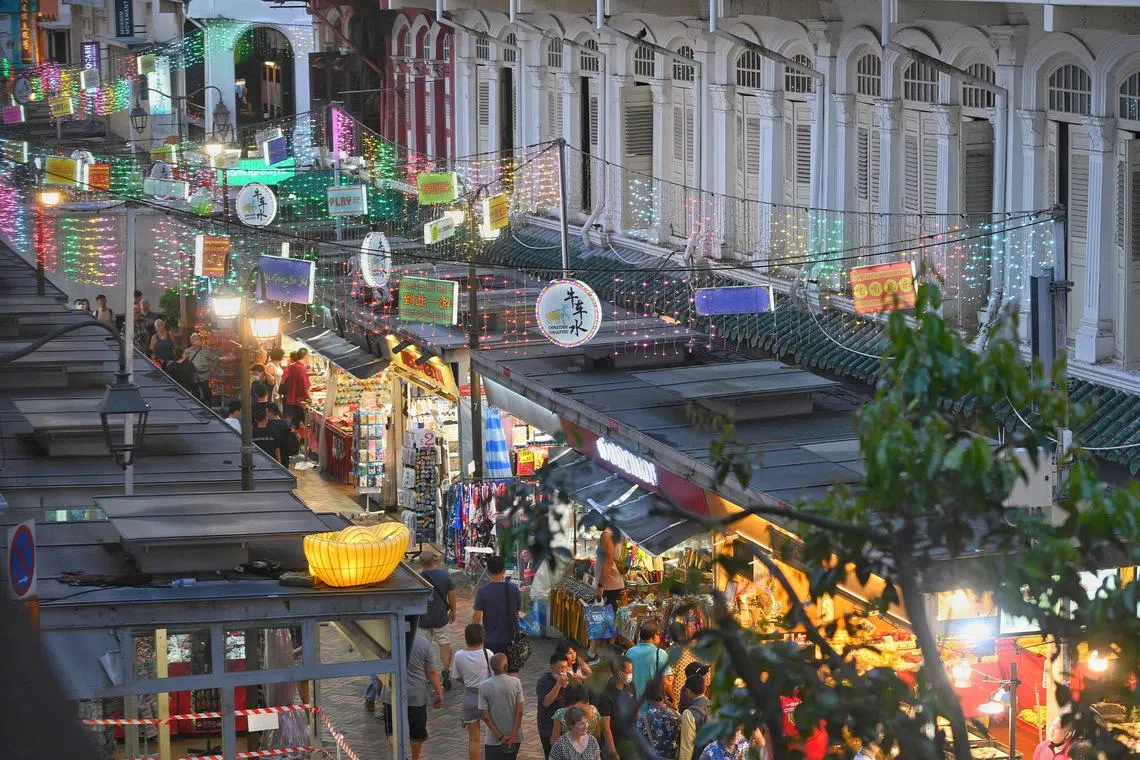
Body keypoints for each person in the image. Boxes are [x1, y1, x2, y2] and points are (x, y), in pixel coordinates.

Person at [381, 629, 444, 760]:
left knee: (392, 730)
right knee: (417, 732)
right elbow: (431, 671)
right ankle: (415, 758)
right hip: (416, 695)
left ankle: (397, 755)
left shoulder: (387, 640)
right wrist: (439, 692)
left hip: (390, 693)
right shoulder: (423, 642)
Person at [451, 623, 496, 760]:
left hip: (470, 698)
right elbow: (494, 675)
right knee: (494, 734)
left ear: (466, 638)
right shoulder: (488, 653)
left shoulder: (459, 655)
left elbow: (457, 677)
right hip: (488, 698)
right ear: (483, 638)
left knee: (474, 739)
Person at [418, 549, 457, 689]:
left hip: (423, 619)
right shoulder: (444, 576)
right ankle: (445, 669)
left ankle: (427, 673)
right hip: (441, 618)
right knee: (444, 645)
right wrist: (453, 610)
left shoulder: (418, 578)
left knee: (424, 648)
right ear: (434, 561)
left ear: (420, 563)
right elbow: (452, 594)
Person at [473, 555, 522, 656]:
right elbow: (517, 610)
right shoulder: (514, 588)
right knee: (512, 669)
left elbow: (477, 615)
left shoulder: (482, 591)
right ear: (504, 570)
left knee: (492, 668)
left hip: (491, 638)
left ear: (488, 571)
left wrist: (476, 634)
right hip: (511, 636)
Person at [480, 653, 524, 760]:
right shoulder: (516, 682)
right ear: (506, 667)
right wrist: (513, 734)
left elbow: (485, 716)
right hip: (514, 737)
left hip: (493, 738)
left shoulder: (484, 685)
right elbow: (520, 712)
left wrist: (500, 736)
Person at [591, 525, 624, 661]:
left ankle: (603, 655)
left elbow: (608, 561)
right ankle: (605, 653)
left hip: (609, 583)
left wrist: (600, 585)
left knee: (603, 619)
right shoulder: (616, 531)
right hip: (611, 583)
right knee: (607, 619)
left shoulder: (607, 534)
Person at [598, 656, 636, 760]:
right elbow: (606, 728)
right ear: (620, 673)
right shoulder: (606, 694)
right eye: (629, 672)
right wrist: (613, 751)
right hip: (614, 743)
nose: (631, 675)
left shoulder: (631, 686)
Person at [537, 652, 572, 759]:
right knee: (551, 755)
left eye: (566, 667)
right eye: (560, 667)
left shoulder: (570, 680)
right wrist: (558, 684)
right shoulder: (544, 681)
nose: (563, 671)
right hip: (547, 725)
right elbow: (546, 702)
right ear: (552, 667)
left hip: (564, 726)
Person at [637, 678, 681, 760]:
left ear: (646, 695)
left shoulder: (643, 719)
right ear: (664, 694)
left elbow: (639, 745)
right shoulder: (677, 715)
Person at [627, 621, 672, 700]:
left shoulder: (630, 652)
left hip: (633, 703)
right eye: (658, 634)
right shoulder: (661, 654)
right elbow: (665, 683)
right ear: (654, 636)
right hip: (652, 703)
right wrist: (673, 700)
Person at [679, 675, 712, 760]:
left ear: (688, 692)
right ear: (704, 689)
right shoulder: (714, 706)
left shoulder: (689, 713)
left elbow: (687, 748)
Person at [280, 348, 312, 429]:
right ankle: (297, 437)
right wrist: (310, 397)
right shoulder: (301, 368)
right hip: (299, 399)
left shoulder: (292, 366)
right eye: (308, 356)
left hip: (292, 397)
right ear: (305, 356)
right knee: (300, 420)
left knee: (294, 420)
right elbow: (305, 386)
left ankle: (294, 434)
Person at [187, 333, 217, 406]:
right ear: (191, 341)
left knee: (207, 394)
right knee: (195, 395)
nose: (198, 341)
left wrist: (213, 368)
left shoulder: (206, 350)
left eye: (199, 339)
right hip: (193, 377)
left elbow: (215, 358)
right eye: (196, 339)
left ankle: (209, 408)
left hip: (204, 376)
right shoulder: (187, 351)